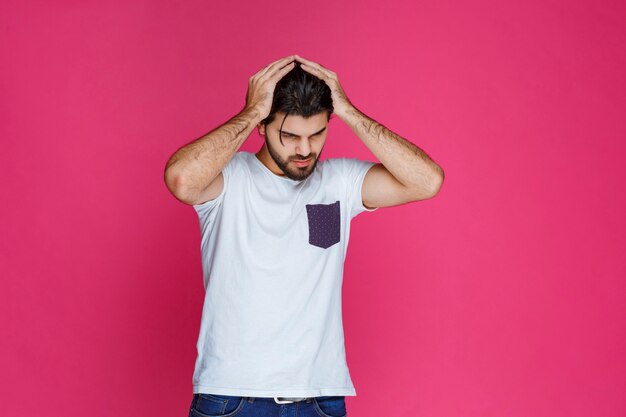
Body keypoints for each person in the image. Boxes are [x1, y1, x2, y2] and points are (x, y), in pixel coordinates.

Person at [164, 54, 444, 416]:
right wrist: (250, 112)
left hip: (320, 399)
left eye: (317, 134)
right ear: (263, 127)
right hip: (232, 398)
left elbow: (428, 181)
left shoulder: (337, 184)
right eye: (290, 135)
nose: (304, 149)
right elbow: (182, 180)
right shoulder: (229, 180)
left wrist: (348, 111)